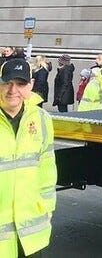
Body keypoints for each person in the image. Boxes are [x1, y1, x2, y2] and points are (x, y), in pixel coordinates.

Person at [0, 57, 57, 257]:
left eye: (21, 83)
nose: (13, 90)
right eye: (7, 82)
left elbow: (47, 170)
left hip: (31, 234)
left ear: (31, 85)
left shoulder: (42, 119)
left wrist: (47, 210)